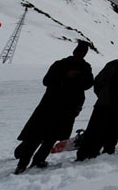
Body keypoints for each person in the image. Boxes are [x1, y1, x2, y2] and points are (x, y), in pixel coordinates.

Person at [14, 41, 93, 174]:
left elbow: (88, 84)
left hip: (66, 108)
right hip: (50, 106)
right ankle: (23, 163)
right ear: (75, 51)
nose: (81, 54)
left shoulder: (85, 68)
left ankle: (38, 160)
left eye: (83, 52)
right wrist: (65, 76)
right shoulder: (60, 64)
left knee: (51, 137)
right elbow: (47, 81)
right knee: (36, 136)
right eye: (80, 51)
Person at [76, 44, 118, 161]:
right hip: (116, 105)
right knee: (110, 131)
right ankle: (106, 154)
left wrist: (102, 95)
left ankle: (84, 154)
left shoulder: (111, 64)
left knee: (93, 129)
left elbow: (98, 82)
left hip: (101, 103)